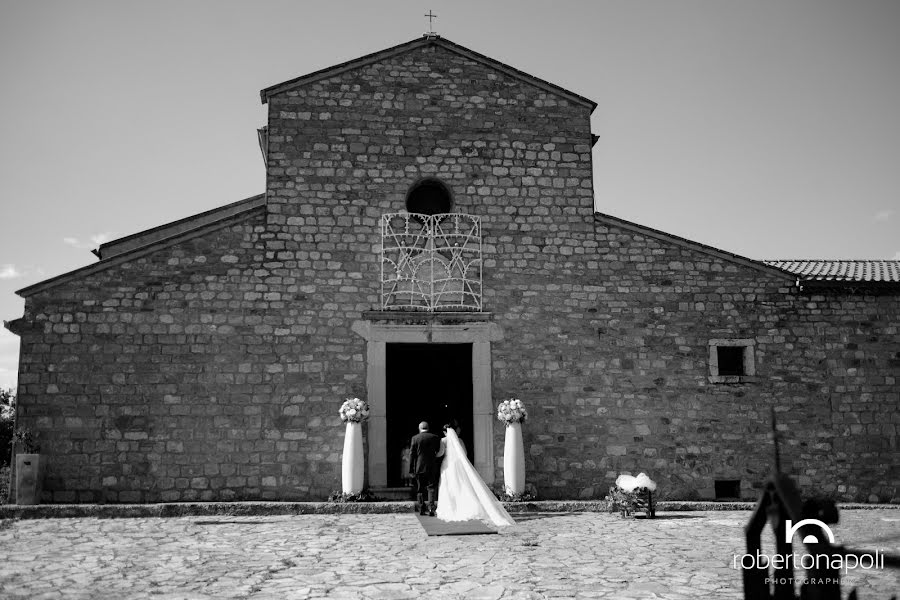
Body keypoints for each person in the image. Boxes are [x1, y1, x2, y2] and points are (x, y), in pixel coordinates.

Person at [436, 424, 516, 527]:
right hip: (458, 464)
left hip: (447, 464)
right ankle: (467, 507)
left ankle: (450, 508)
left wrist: (434, 454)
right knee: (462, 485)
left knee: (448, 485)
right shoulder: (459, 440)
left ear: (444, 432)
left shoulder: (443, 440)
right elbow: (464, 453)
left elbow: (441, 453)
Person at [408, 421, 441, 516]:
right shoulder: (434, 437)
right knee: (431, 488)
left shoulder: (415, 438)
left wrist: (411, 469)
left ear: (419, 428)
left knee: (420, 489)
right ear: (428, 428)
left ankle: (421, 508)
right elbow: (438, 451)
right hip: (431, 466)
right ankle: (431, 509)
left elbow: (412, 455)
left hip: (419, 467)